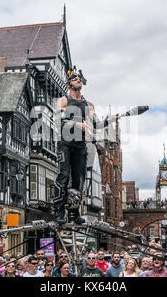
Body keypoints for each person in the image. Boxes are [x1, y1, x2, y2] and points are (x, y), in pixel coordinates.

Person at [50, 66, 118, 224]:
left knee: (79, 180)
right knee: (64, 175)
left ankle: (74, 213)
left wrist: (110, 120)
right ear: (68, 84)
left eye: (79, 79)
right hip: (65, 144)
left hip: (80, 145)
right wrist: (77, 124)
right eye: (74, 79)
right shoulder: (64, 100)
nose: (78, 80)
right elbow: (60, 120)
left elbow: (96, 124)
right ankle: (59, 211)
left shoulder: (88, 105)